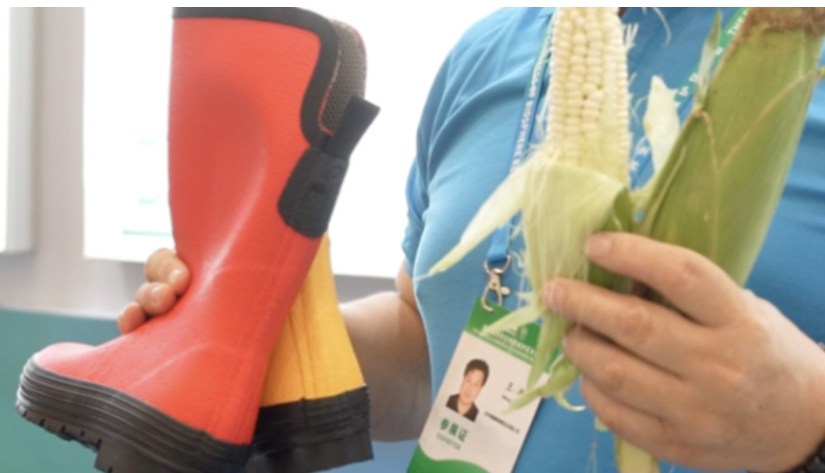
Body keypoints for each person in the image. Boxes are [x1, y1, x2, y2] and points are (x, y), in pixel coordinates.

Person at [119, 8, 825, 473]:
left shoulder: (799, 45)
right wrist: (266, 335)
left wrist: (807, 417)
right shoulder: (487, 53)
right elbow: (426, 350)